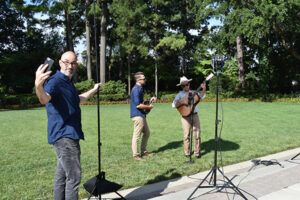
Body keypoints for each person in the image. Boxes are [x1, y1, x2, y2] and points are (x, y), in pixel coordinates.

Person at [35, 51, 101, 200]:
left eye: (73, 63)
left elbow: (76, 100)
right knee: (74, 178)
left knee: (62, 177)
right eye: (66, 62)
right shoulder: (55, 81)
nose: (70, 66)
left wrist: (93, 90)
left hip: (67, 135)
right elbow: (45, 99)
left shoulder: (68, 83)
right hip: (65, 136)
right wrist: (38, 85)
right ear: (60, 63)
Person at [172, 76, 206, 159]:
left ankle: (197, 153)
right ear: (181, 86)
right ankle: (187, 152)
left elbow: (202, 97)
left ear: (189, 84)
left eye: (186, 84)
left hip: (195, 115)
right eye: (183, 86)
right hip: (185, 117)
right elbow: (173, 105)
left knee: (197, 134)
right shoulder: (179, 95)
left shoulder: (194, 92)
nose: (185, 86)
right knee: (186, 135)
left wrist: (204, 89)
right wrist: (182, 101)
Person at [130, 72, 156, 161]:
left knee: (147, 133)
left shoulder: (140, 88)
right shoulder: (136, 89)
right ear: (138, 80)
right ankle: (136, 155)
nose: (145, 80)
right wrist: (149, 107)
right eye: (143, 79)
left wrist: (150, 101)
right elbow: (138, 105)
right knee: (136, 136)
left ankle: (143, 152)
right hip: (138, 116)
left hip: (141, 115)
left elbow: (141, 103)